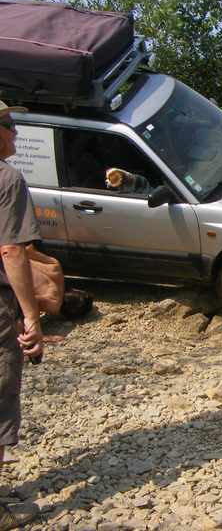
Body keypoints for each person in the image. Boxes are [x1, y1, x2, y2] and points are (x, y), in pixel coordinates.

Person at [0, 100, 43, 528]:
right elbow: (12, 250)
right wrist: (30, 315)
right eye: (9, 124)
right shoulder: (7, 179)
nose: (15, 133)